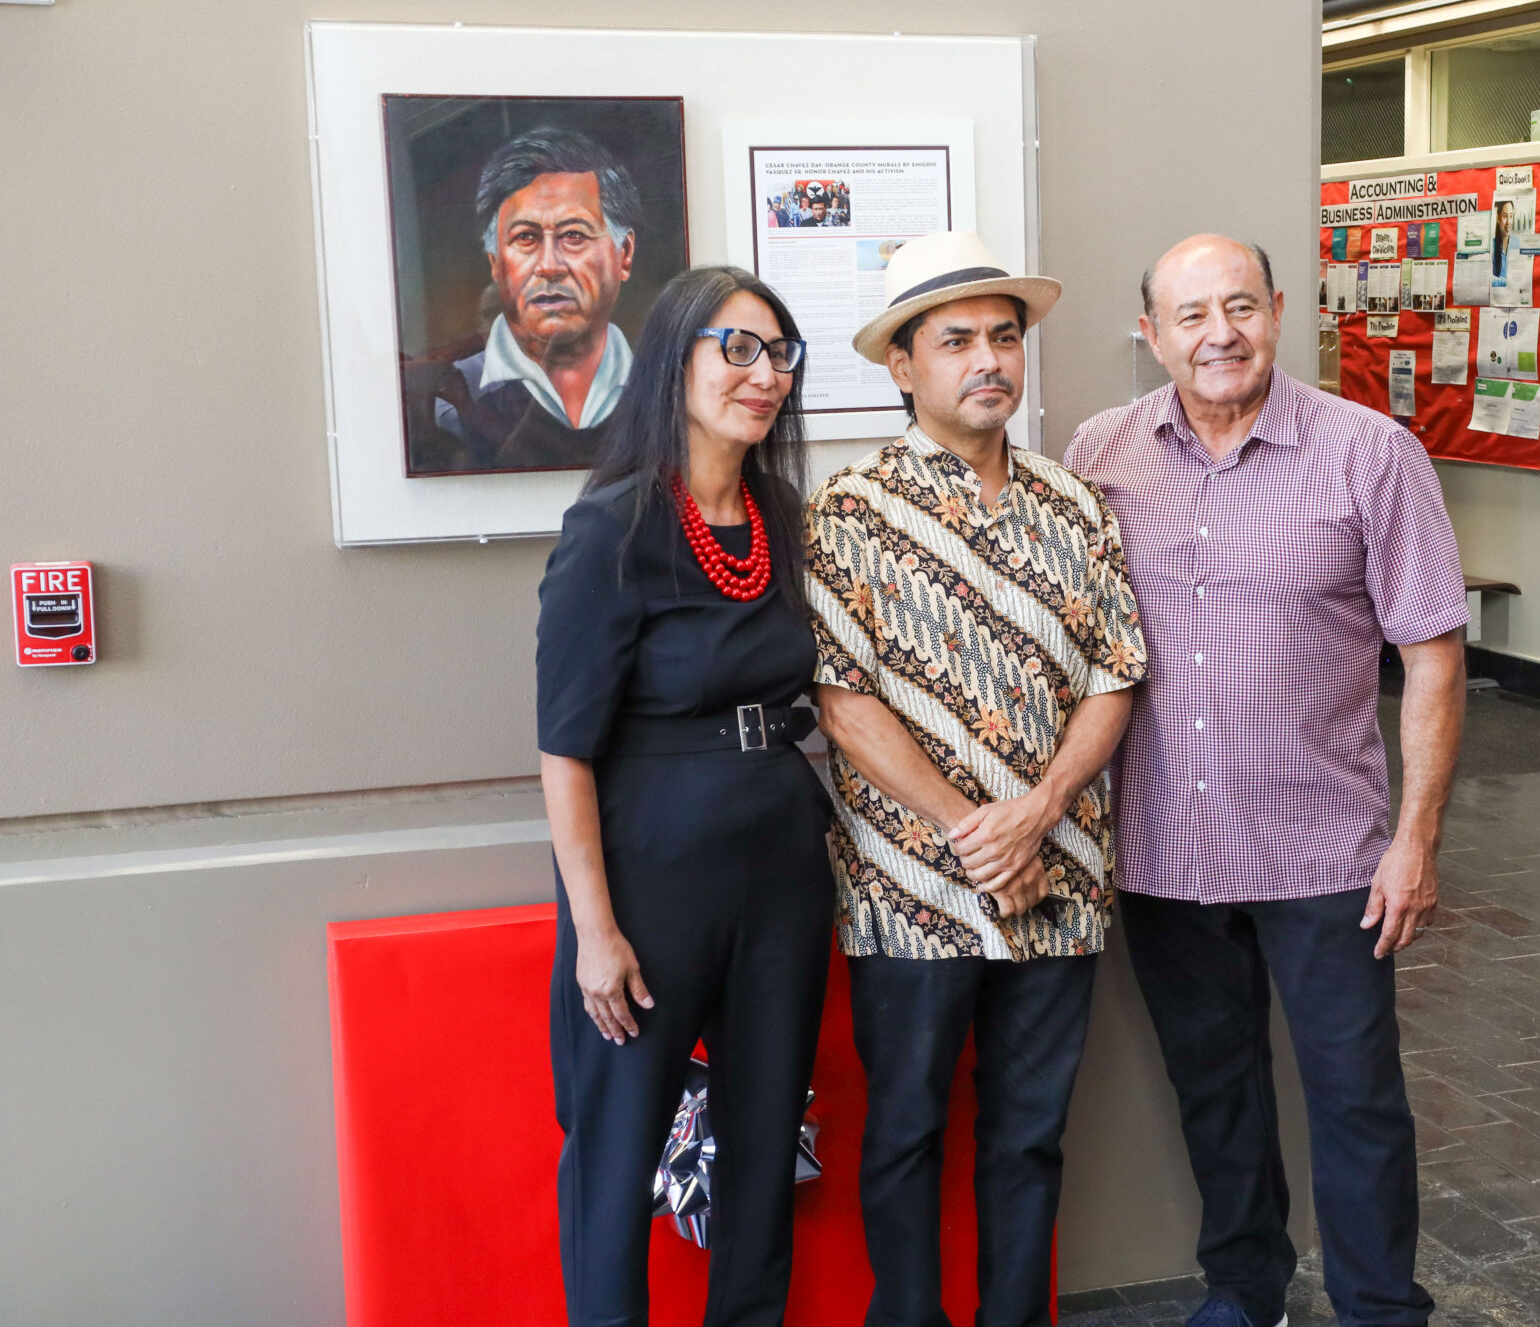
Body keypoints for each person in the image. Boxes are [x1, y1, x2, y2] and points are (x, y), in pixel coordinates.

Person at [1066, 234, 1468, 1327]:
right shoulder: (1096, 454)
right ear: (1150, 335)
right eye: (1189, 315)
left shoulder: (1367, 453)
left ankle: (1381, 1307)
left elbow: (1430, 653)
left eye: (1237, 306)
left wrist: (1415, 837)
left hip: (1322, 851)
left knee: (1355, 1100)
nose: (1218, 335)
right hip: (1159, 848)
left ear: (1278, 311)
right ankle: (1246, 1291)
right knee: (1214, 1089)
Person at [806, 230, 1147, 1327]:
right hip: (909, 889)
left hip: (1061, 876)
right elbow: (842, 699)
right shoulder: (846, 512)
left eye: (1003, 336)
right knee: (904, 1131)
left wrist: (1036, 815)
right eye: (954, 340)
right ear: (901, 365)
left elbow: (1113, 677)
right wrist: (972, 832)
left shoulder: (1076, 504)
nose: (986, 359)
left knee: (1028, 1134)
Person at [537, 264, 831, 1327]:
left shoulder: (780, 514)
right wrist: (594, 931)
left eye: (779, 353)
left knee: (761, 1142)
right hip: (651, 874)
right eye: (736, 347)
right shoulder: (610, 529)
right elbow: (564, 749)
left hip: (782, 864)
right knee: (616, 1151)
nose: (762, 375)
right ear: (675, 356)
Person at [405, 125, 642, 474]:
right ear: (496, 264)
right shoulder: (448, 397)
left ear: (624, 254)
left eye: (574, 235)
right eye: (526, 237)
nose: (549, 266)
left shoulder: (667, 389)